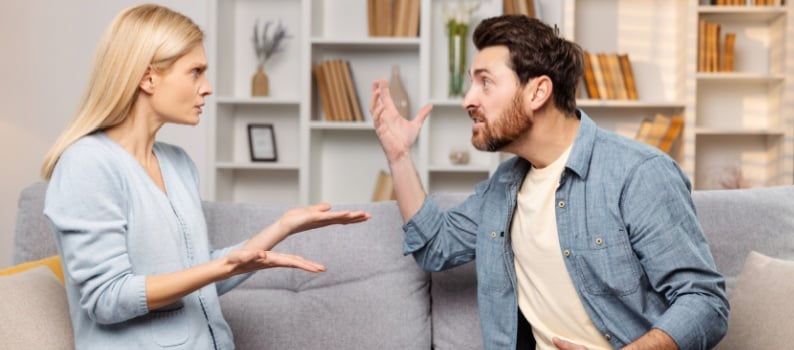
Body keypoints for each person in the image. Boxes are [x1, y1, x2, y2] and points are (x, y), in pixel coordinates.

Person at [370, 14, 728, 350]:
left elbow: (705, 302)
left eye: (486, 82)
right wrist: (399, 155)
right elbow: (436, 246)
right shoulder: (504, 186)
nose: (468, 100)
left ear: (538, 92)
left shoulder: (637, 173)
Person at [40, 4, 370, 349]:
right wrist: (221, 267)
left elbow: (197, 274)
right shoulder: (87, 164)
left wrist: (282, 227)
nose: (208, 87)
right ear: (148, 77)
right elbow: (106, 298)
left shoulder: (178, 164)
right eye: (195, 72)